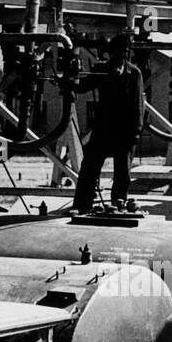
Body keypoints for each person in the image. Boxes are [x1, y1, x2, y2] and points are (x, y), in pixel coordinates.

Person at [72, 34, 145, 214]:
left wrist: (136, 131)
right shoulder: (102, 70)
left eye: (125, 52)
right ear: (112, 52)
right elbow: (82, 86)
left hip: (125, 130)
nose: (122, 55)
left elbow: (138, 105)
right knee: (89, 167)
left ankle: (118, 203)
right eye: (119, 52)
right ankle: (82, 204)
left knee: (123, 172)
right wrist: (69, 80)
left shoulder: (134, 73)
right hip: (104, 128)